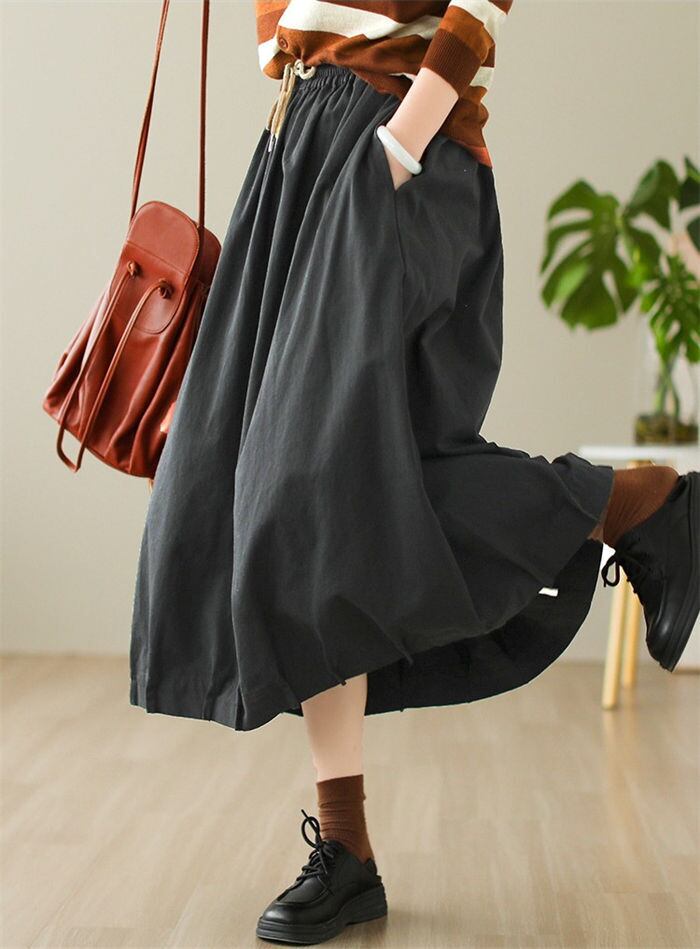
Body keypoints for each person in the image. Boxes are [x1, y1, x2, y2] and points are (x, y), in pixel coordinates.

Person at [129, 2, 700, 944]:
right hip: (303, 138)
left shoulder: (398, 141)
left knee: (311, 493)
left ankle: (632, 501)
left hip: (390, 136)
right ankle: (348, 848)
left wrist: (403, 137)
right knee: (327, 502)